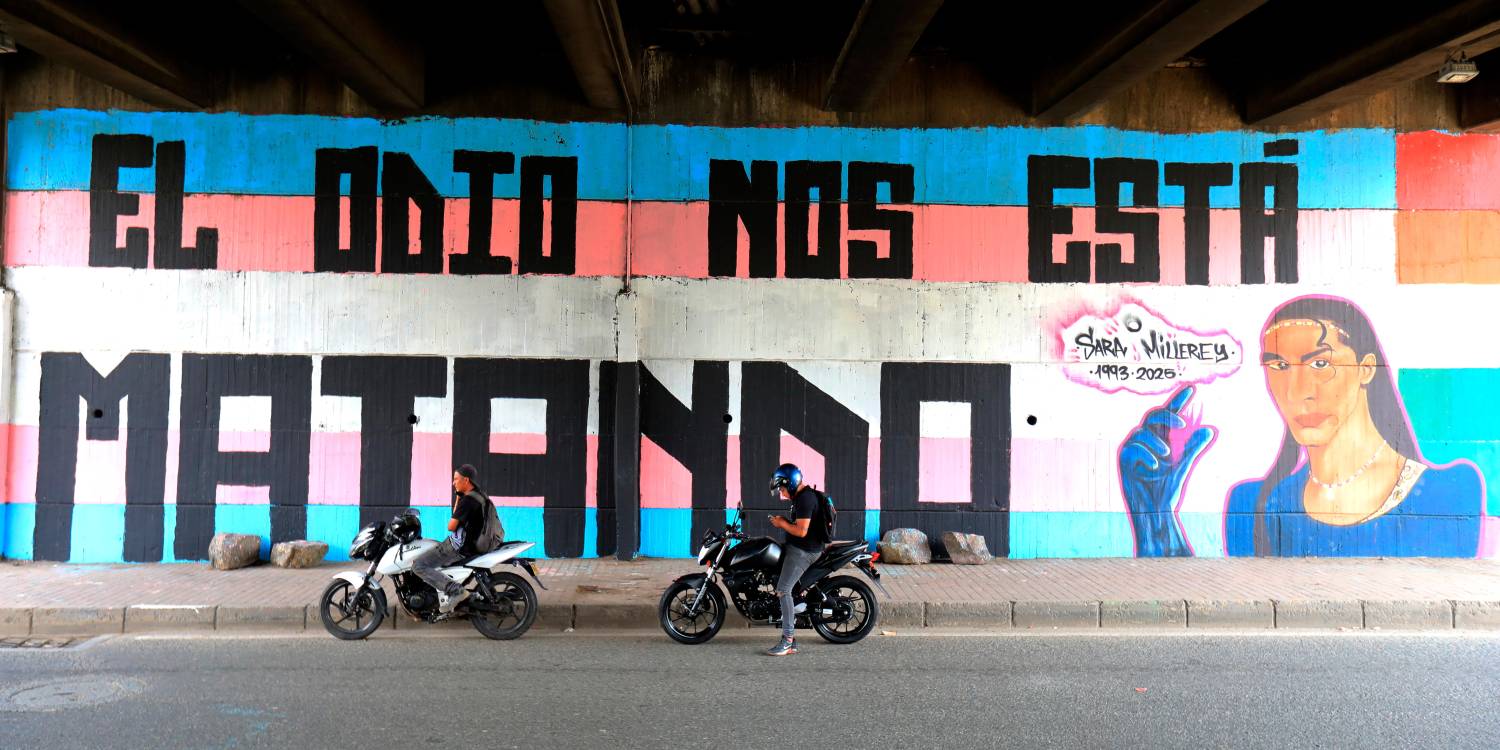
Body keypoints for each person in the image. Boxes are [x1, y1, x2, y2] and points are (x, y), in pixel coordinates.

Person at [1121, 295, 1484, 557]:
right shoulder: (1253, 506)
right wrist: (1156, 524)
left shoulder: (1451, 491)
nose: (1297, 393)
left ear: (1366, 369)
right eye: (1278, 367)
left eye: (1321, 364)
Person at [765, 463, 827, 656]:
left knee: (783, 590)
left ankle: (788, 641)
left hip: (804, 551)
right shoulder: (802, 497)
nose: (782, 494)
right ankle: (790, 624)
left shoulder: (805, 499)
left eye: (782, 489)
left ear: (790, 483)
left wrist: (782, 523)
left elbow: (801, 531)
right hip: (798, 547)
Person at [411, 464, 488, 612]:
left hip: (459, 546)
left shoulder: (468, 501)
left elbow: (451, 526)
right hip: (470, 542)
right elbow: (457, 515)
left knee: (418, 565)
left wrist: (461, 499)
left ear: (466, 480)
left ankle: (455, 590)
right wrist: (459, 496)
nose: (453, 483)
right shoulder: (478, 495)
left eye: (456, 479)